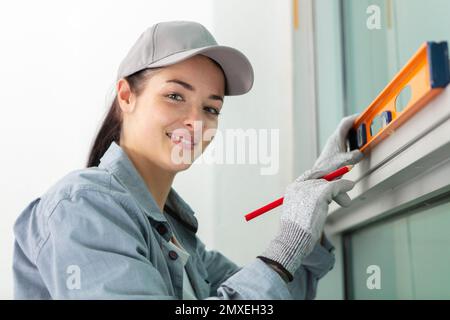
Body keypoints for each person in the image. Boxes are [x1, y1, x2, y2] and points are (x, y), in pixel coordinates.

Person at [12, 21, 363, 299]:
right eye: (175, 95)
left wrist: (309, 219)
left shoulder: (180, 241)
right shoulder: (83, 207)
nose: (196, 123)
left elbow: (275, 292)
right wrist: (286, 244)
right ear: (126, 96)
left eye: (211, 108)